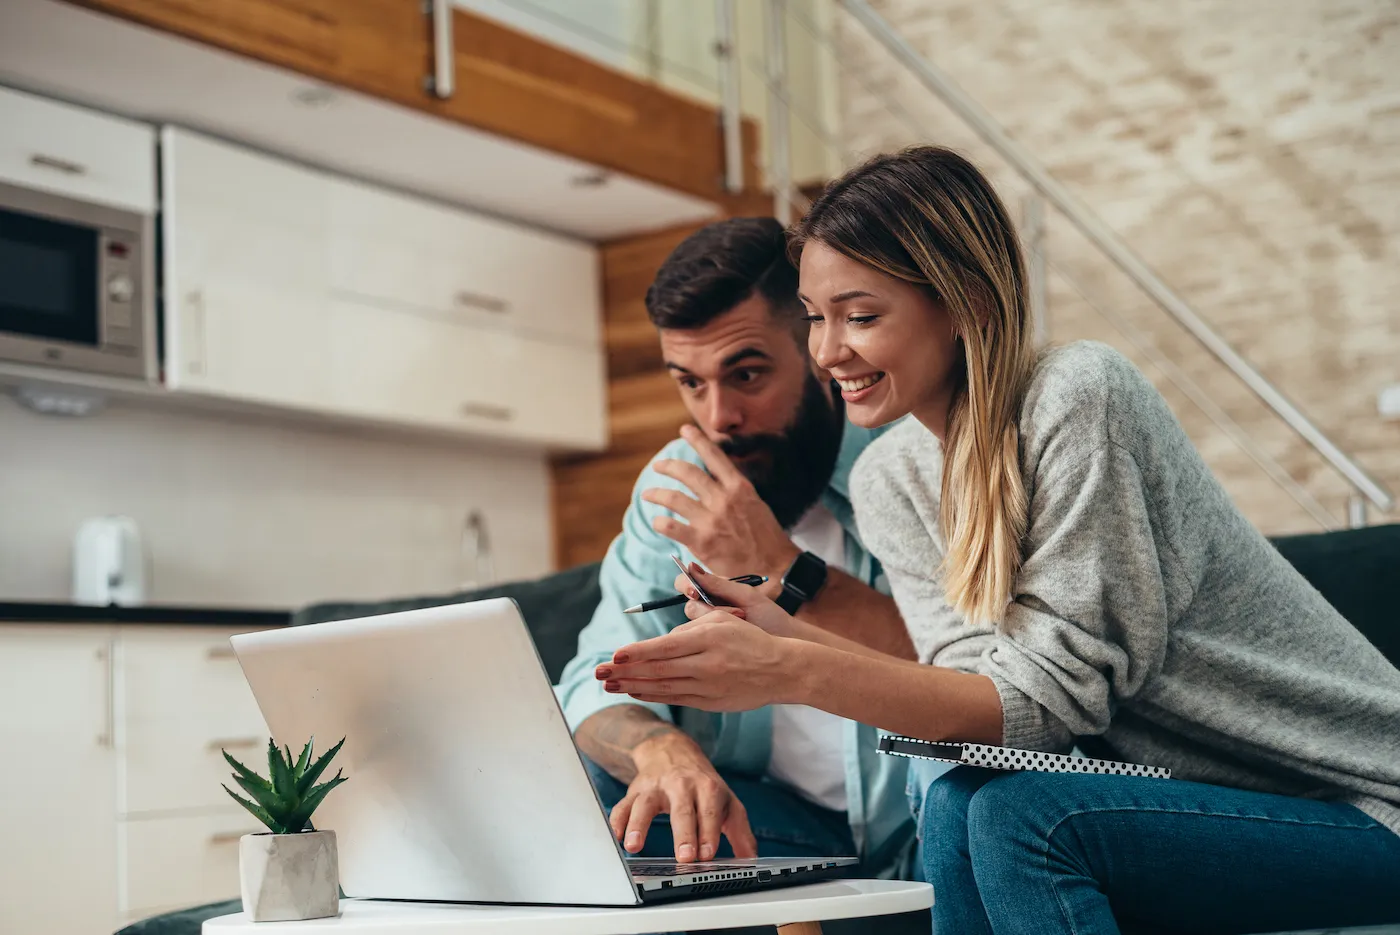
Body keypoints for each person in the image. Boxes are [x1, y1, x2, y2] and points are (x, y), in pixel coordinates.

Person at [595, 147, 1400, 933]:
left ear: (965, 302)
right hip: (1202, 801)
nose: (829, 352)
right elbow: (974, 704)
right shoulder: (897, 477)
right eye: (815, 319)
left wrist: (797, 667)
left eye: (861, 316)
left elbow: (1043, 708)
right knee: (959, 797)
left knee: (1026, 820)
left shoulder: (1079, 395)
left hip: (1357, 800)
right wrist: (783, 634)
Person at [554, 218, 919, 876]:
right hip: (783, 820)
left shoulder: (911, 456)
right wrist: (658, 746)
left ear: (818, 350)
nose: (718, 417)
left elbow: (972, 675)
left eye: (746, 375)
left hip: (921, 818)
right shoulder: (679, 483)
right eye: (690, 382)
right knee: (601, 789)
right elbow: (594, 675)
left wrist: (783, 565)